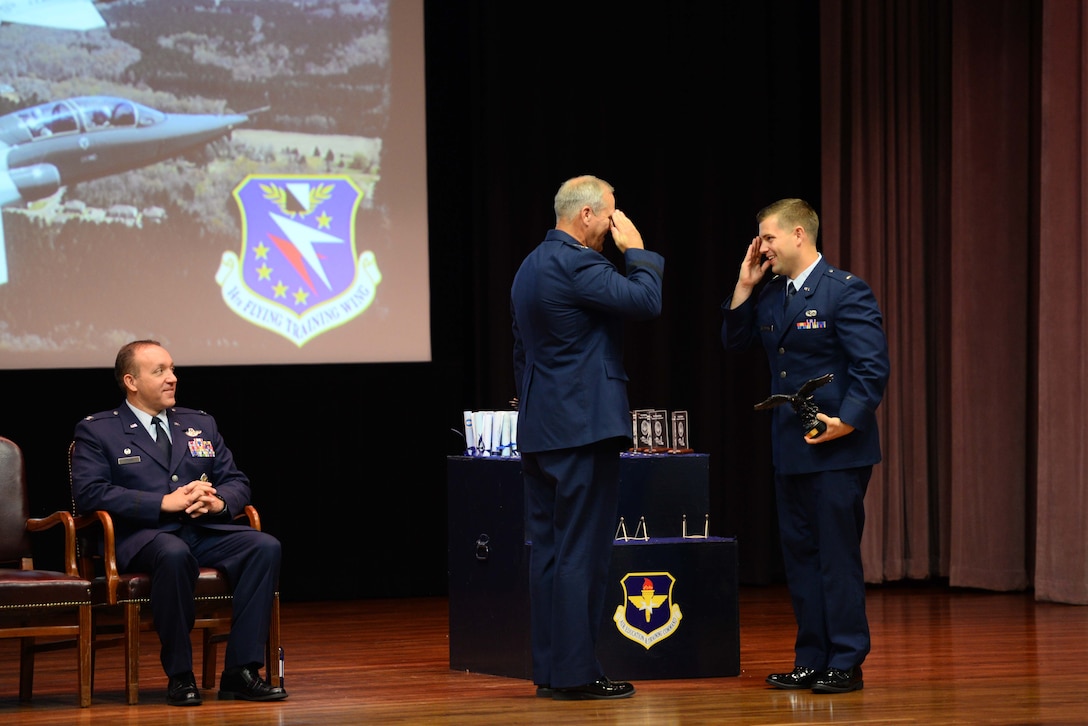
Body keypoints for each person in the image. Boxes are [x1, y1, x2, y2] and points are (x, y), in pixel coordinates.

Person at [721, 198, 889, 694]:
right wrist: (745, 285)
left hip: (837, 447)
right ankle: (811, 657)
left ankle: (846, 660)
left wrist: (850, 422)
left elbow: (871, 368)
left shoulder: (845, 291)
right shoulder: (771, 295)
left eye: (769, 237)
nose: (762, 246)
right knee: (800, 557)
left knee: (836, 556)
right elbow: (733, 341)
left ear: (799, 234)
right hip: (791, 446)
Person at [511, 175, 664, 700]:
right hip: (582, 429)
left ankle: (552, 670)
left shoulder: (528, 267)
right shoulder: (577, 262)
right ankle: (576, 674)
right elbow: (645, 301)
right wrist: (638, 249)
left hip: (540, 429)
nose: (615, 223)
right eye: (612, 214)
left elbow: (520, 356)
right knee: (583, 552)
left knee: (550, 552)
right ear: (587, 217)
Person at [70, 340, 288, 707]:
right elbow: (91, 493)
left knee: (264, 546)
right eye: (160, 371)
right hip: (145, 536)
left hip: (203, 531)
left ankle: (241, 671)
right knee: (173, 554)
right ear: (131, 381)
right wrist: (161, 503)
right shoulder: (98, 430)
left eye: (172, 369)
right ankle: (180, 674)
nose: (172, 378)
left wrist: (219, 502)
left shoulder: (199, 423)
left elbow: (237, 481)